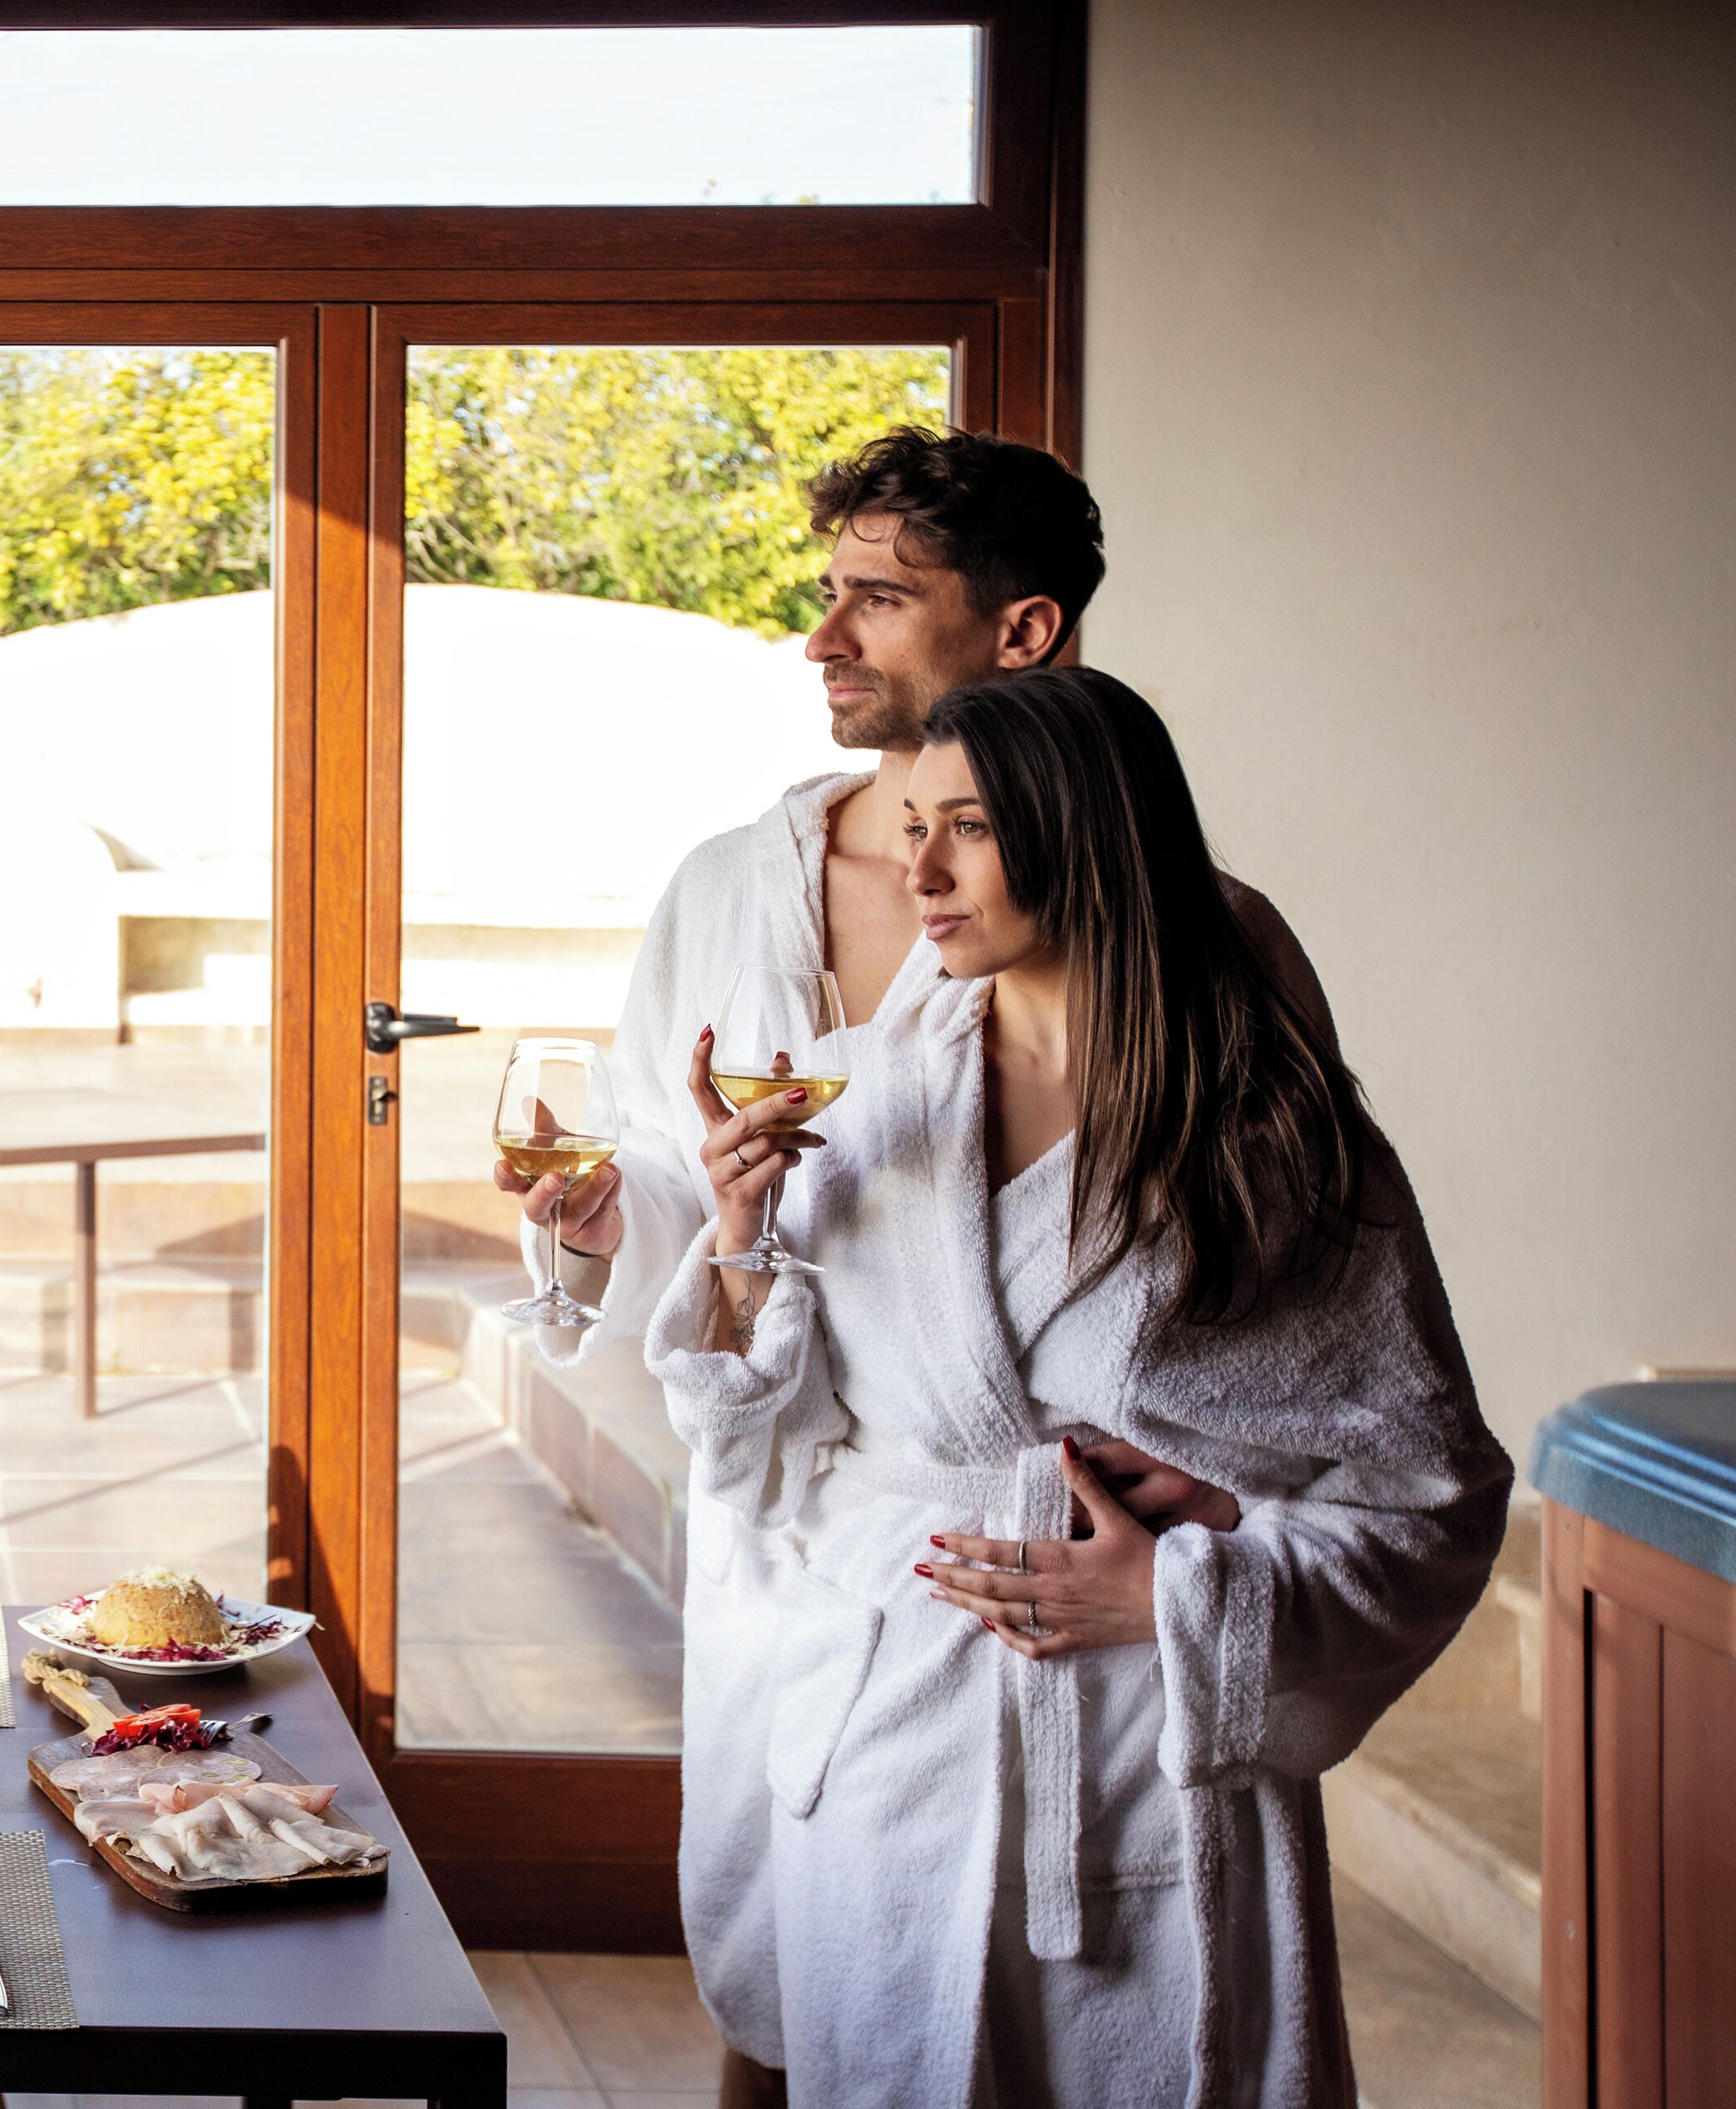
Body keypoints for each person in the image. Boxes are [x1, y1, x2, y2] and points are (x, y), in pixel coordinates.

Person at [648, 667, 1508, 2106]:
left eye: (967, 828)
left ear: (1091, 833)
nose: (915, 868)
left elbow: (1429, 1499)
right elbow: (756, 1466)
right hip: (892, 1741)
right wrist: (739, 1245)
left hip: (1135, 1744)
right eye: (913, 823)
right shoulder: (859, 1105)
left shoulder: (1269, 1135)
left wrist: (1174, 1597)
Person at [499, 427, 1323, 1546]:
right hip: (800, 1562)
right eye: (830, 593)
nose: (821, 640)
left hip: (1077, 1558)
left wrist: (1231, 1475)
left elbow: (1299, 1258)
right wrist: (603, 1224)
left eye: (878, 599)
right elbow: (676, 1177)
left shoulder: (1196, 931)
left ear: (1024, 629)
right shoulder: (731, 890)